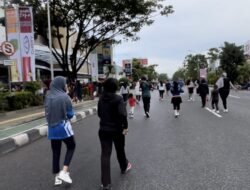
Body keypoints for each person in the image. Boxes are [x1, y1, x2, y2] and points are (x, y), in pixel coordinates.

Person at [98, 78, 132, 190]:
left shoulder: (101, 98)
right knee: (120, 149)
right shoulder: (118, 99)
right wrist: (125, 128)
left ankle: (105, 183)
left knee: (105, 155)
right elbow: (123, 115)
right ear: (115, 87)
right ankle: (124, 166)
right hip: (117, 130)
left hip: (103, 130)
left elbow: (99, 113)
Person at [45, 76, 76, 186]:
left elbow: (47, 113)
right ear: (61, 84)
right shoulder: (65, 97)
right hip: (63, 127)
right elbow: (71, 114)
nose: (66, 86)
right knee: (71, 146)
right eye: (65, 84)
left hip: (51, 128)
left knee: (56, 151)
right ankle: (64, 171)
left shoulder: (48, 96)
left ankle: (57, 177)